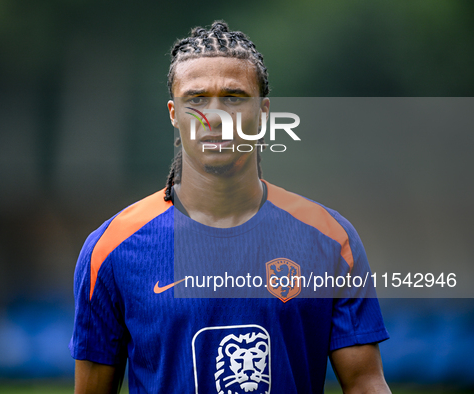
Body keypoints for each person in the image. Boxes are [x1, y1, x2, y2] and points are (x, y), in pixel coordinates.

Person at [70, 21, 390, 394]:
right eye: (197, 99)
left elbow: (365, 383)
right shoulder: (110, 250)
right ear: (174, 114)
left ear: (263, 113)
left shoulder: (331, 240)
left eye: (234, 98)